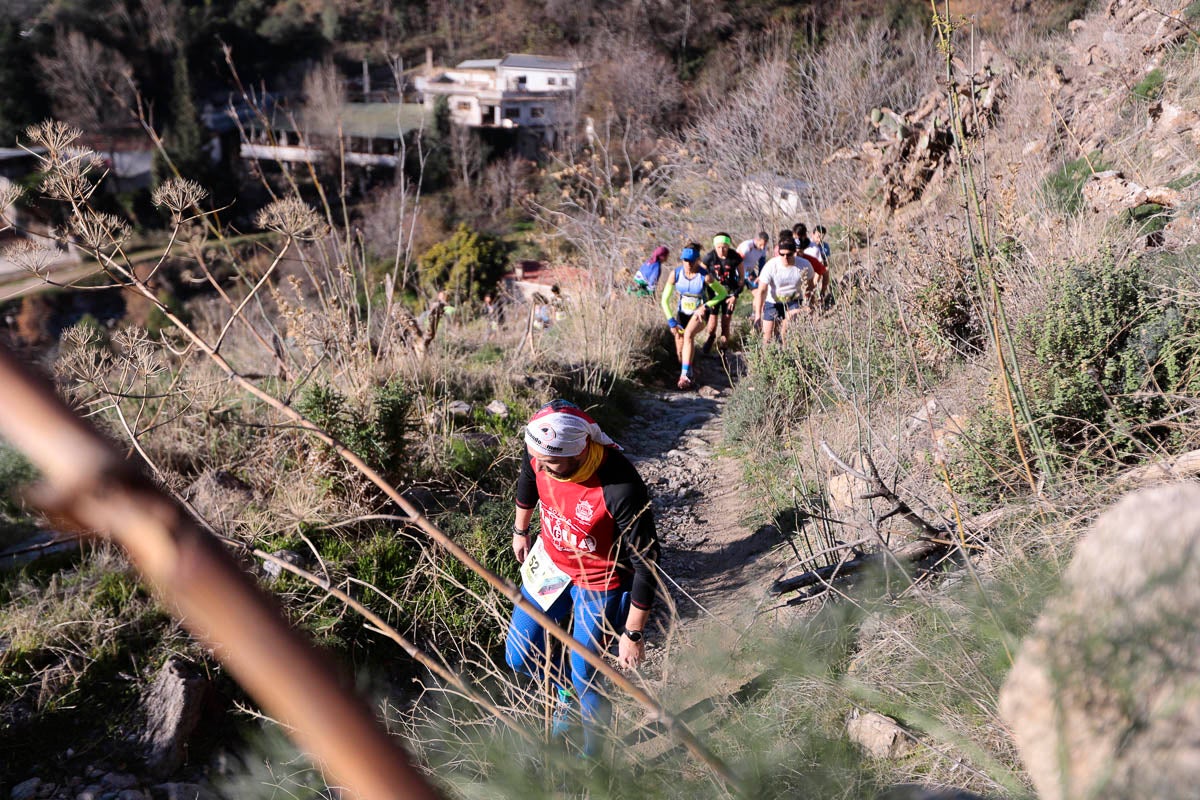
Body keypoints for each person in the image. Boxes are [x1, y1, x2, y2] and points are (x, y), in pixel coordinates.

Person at [506, 400, 661, 756]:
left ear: (579, 452)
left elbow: (647, 561)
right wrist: (521, 529)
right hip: (550, 565)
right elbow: (528, 477)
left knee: (585, 674)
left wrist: (633, 633)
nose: (541, 466)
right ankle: (565, 694)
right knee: (519, 655)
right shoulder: (540, 453)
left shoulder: (619, 485)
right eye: (537, 458)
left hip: (601, 581)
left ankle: (595, 762)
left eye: (551, 463)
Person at [660, 242, 728, 389]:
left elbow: (722, 293)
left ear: (698, 260)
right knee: (680, 350)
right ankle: (690, 371)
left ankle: (683, 375)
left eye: (692, 261)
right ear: (682, 260)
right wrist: (671, 320)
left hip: (699, 314)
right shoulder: (675, 274)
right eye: (686, 261)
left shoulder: (705, 277)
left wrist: (705, 306)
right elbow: (664, 300)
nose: (688, 264)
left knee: (688, 335)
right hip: (682, 314)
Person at [752, 237, 814, 342]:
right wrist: (757, 316)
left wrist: (811, 305)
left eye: (789, 254)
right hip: (773, 302)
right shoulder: (771, 265)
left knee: (787, 330)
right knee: (767, 337)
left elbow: (810, 287)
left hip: (794, 301)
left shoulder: (804, 265)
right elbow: (761, 290)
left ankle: (787, 352)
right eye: (782, 254)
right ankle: (768, 356)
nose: (785, 257)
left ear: (794, 253)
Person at [701, 233, 744, 354]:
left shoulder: (735, 257)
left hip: (729, 293)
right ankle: (710, 338)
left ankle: (723, 351)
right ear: (715, 246)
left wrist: (735, 296)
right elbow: (700, 276)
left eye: (724, 247)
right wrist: (704, 295)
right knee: (712, 318)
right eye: (718, 247)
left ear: (728, 246)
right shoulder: (709, 257)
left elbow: (741, 280)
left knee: (726, 321)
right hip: (713, 293)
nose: (721, 250)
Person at [803, 225, 831, 303]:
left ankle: (822, 294)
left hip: (819, 267)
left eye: (822, 237)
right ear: (813, 234)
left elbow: (827, 260)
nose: (820, 239)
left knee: (825, 271)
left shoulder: (825, 246)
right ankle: (810, 296)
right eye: (818, 236)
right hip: (807, 268)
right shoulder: (807, 244)